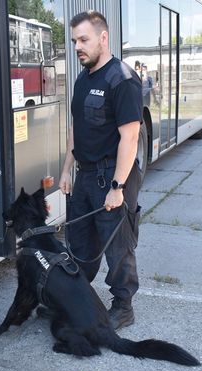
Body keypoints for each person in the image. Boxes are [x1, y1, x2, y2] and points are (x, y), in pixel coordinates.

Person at [59, 10, 143, 330]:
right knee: (79, 244)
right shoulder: (83, 79)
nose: (78, 46)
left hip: (112, 176)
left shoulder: (121, 78)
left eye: (84, 40)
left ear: (103, 38)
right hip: (84, 175)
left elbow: (130, 136)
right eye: (74, 41)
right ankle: (76, 298)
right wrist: (67, 169)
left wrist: (118, 186)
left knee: (117, 246)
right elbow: (75, 128)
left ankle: (123, 306)